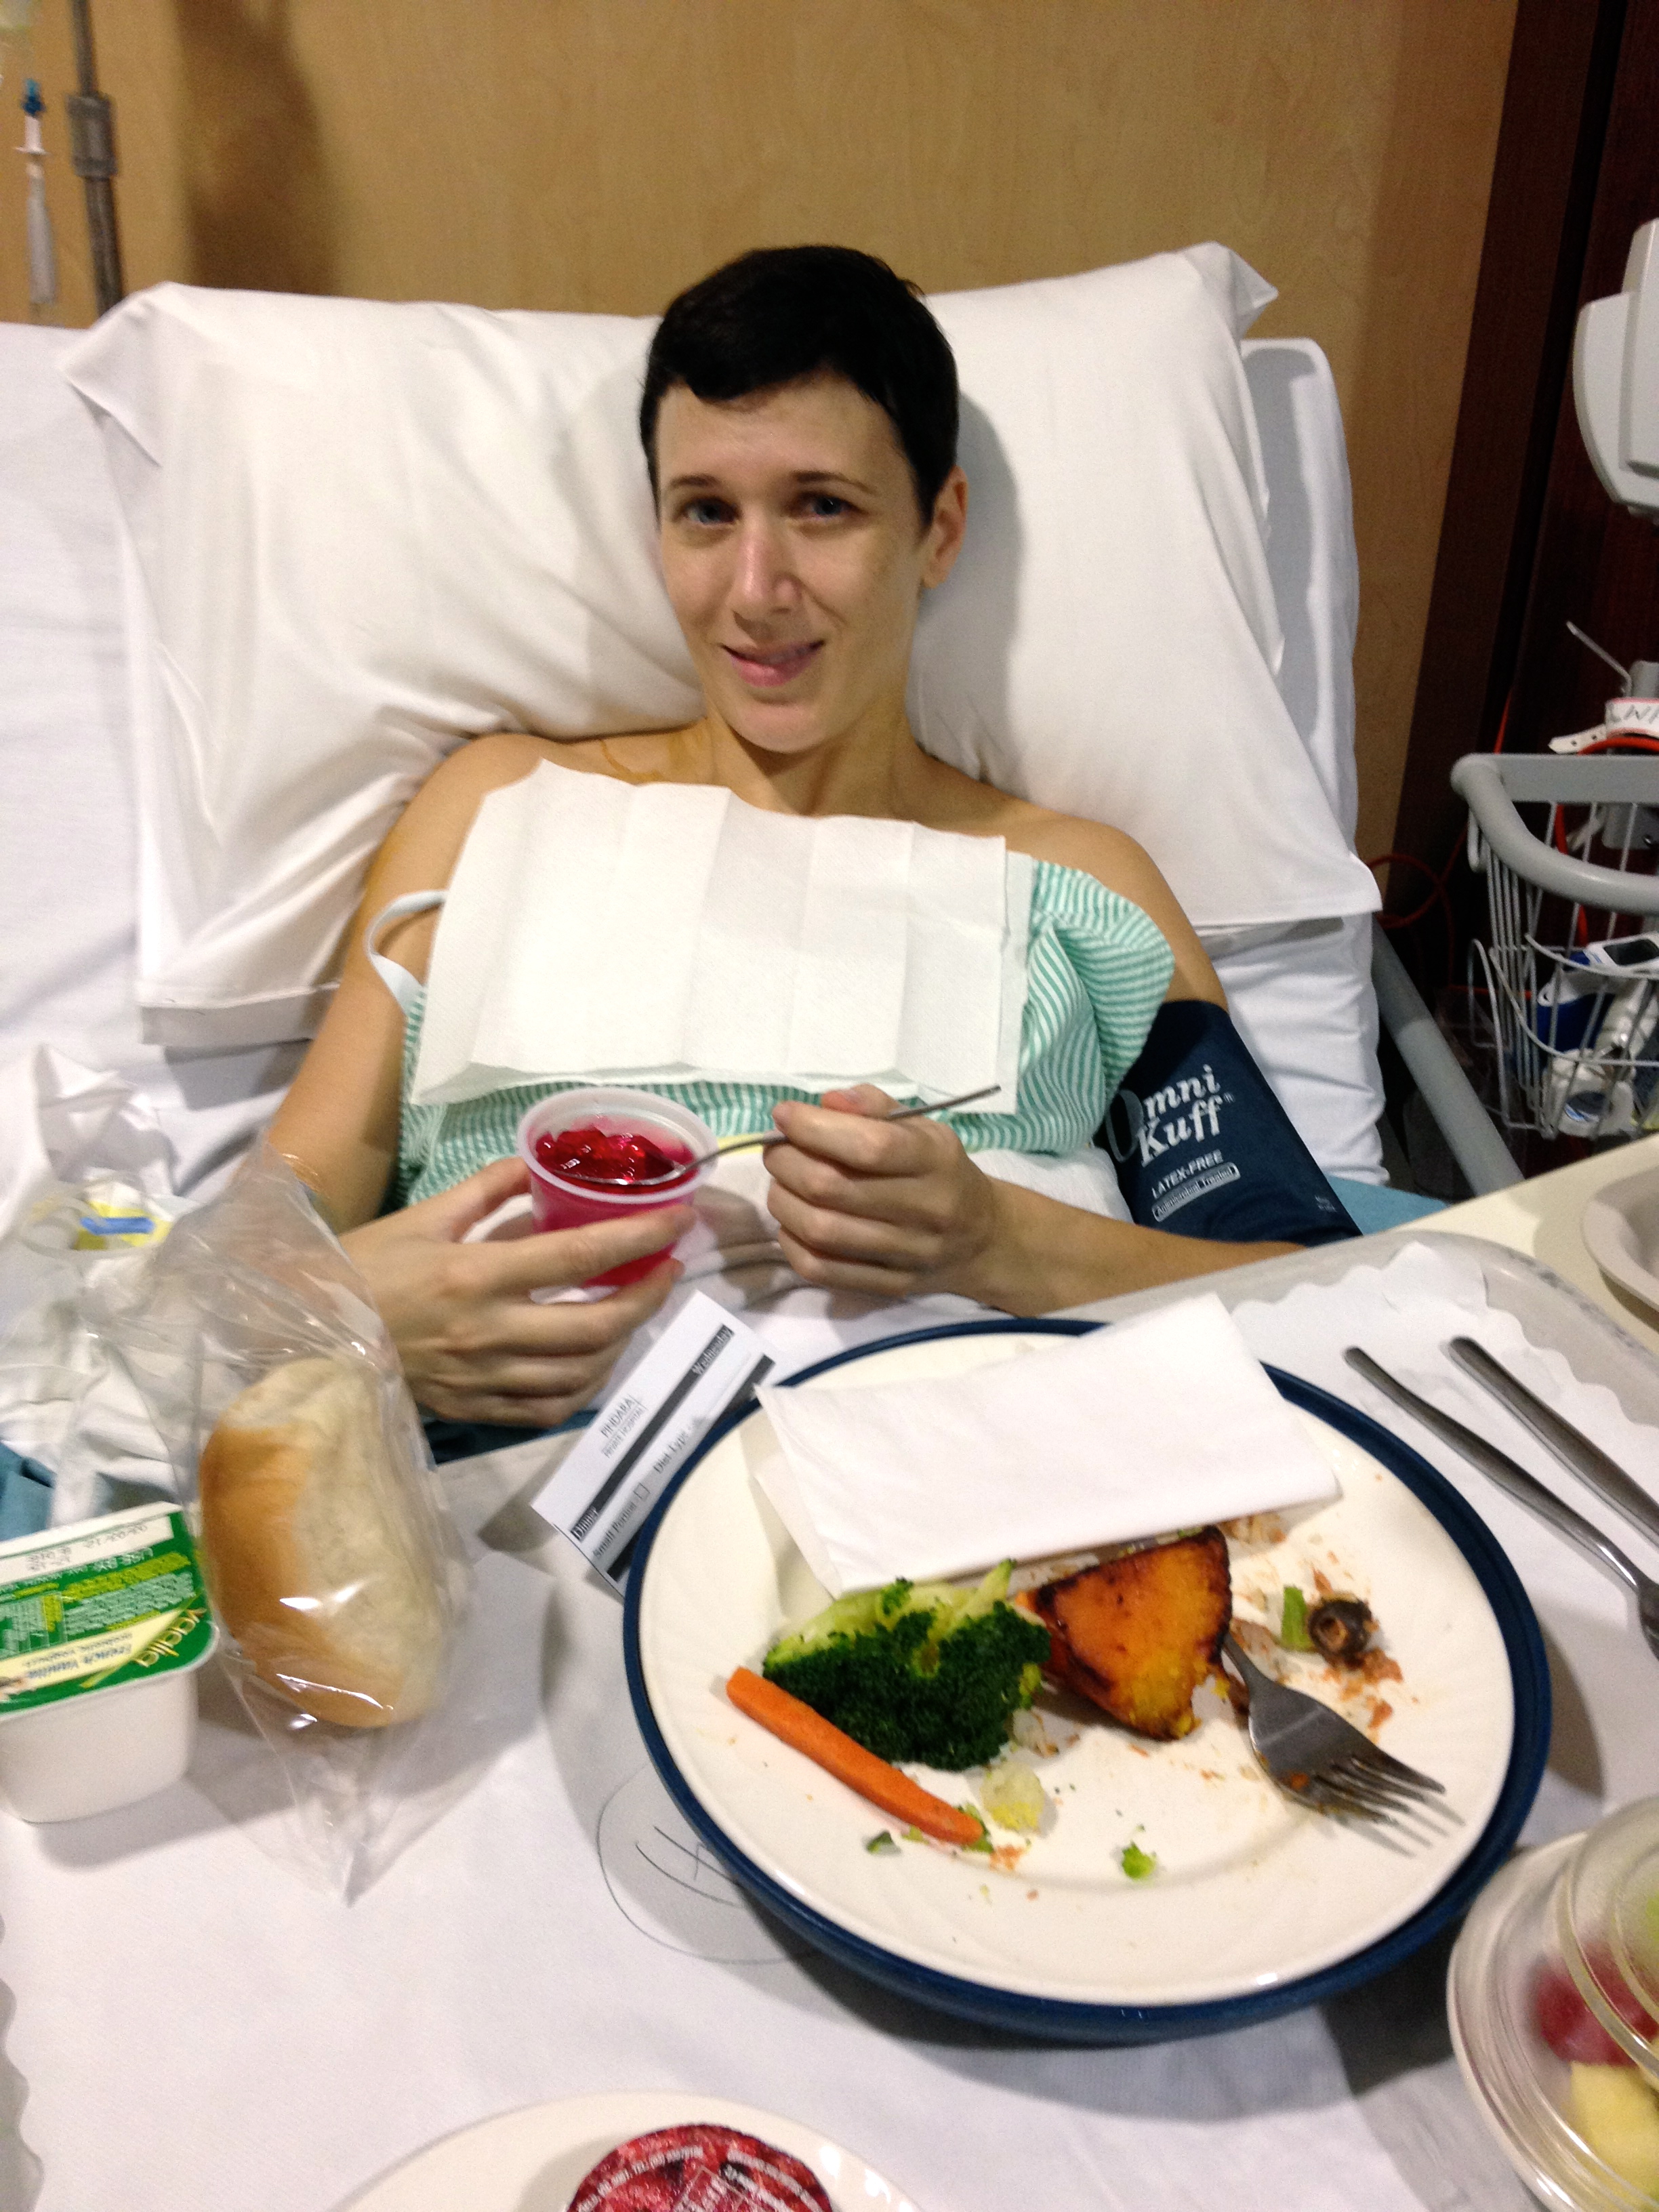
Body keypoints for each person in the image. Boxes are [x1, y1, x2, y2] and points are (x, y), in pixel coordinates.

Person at [270, 245, 1336, 1434]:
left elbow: (1307, 1294)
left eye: (822, 506)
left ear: (939, 531)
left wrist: (999, 1242)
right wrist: (355, 1315)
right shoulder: (496, 810)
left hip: (972, 1485)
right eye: (706, 513)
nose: (756, 589)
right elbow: (260, 1244)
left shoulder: (1078, 883)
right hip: (515, 1499)